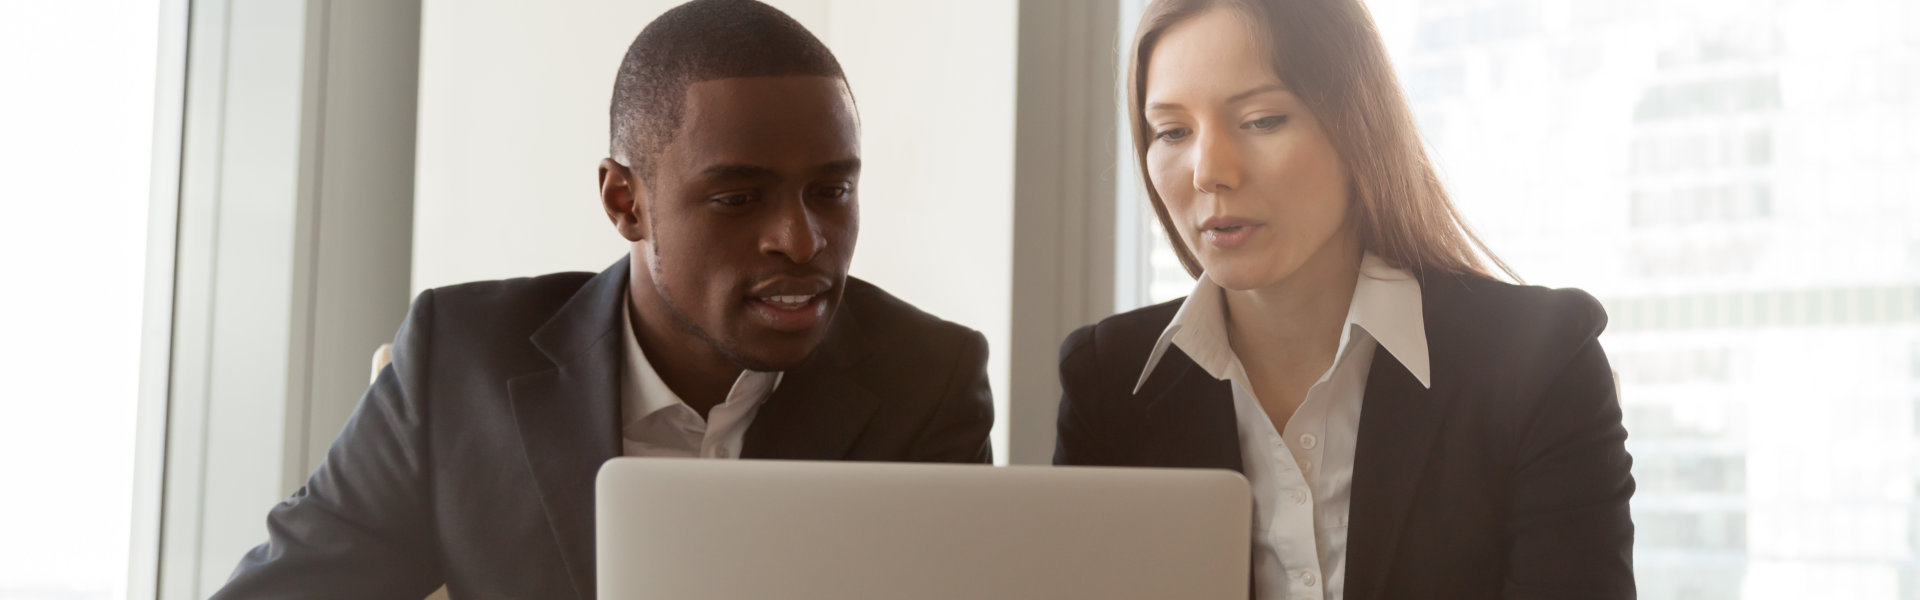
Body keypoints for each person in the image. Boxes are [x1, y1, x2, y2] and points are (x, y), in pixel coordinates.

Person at [213, 1, 993, 597]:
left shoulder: (927, 380)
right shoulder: (458, 362)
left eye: (832, 190)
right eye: (738, 199)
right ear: (626, 202)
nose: (801, 239)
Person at [1053, 0, 1635, 598]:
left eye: (1261, 120)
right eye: (1172, 131)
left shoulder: (1540, 364)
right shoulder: (1109, 382)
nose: (1209, 171)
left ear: (1359, 124)